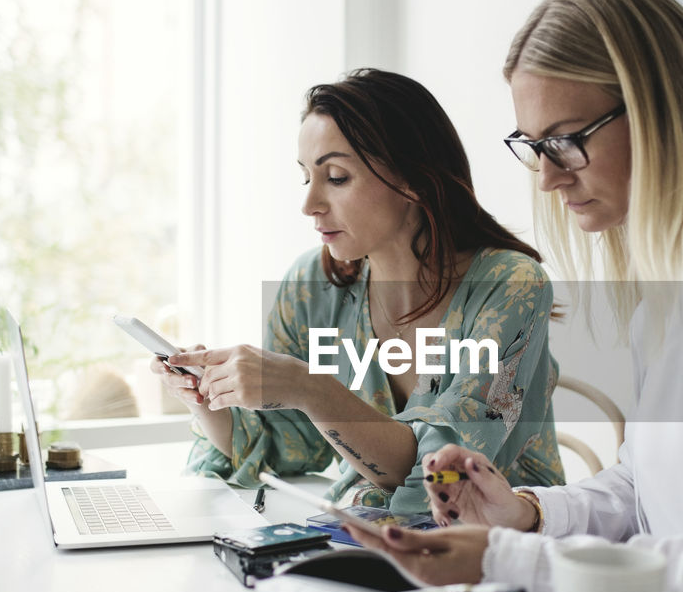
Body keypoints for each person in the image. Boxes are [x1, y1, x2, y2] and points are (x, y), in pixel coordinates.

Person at [349, 0, 683, 592]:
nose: (546, 176)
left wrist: (506, 562)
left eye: (565, 139)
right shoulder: (673, 262)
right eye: (533, 146)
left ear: (656, 107)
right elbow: (645, 488)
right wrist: (527, 516)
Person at [155, 68, 565, 515]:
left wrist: (309, 387)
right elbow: (288, 443)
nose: (309, 204)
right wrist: (207, 398)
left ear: (413, 180)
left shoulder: (511, 286)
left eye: (336, 177)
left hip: (510, 548)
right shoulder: (315, 287)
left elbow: (446, 474)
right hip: (373, 543)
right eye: (306, 176)